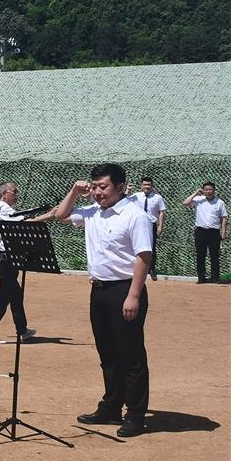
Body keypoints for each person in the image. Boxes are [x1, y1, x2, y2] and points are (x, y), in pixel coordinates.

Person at [52, 163, 152, 438]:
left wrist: (133, 295)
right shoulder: (93, 212)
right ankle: (110, 407)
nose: (97, 192)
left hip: (124, 290)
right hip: (99, 290)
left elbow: (144, 256)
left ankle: (135, 414)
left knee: (130, 355)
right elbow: (61, 215)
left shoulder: (135, 215)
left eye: (103, 187)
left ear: (120, 187)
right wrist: (74, 190)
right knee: (107, 353)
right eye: (94, 187)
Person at [0, 182, 35, 344]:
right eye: (14, 191)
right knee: (4, 296)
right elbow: (24, 224)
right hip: (5, 258)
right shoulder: (4, 209)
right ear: (4, 194)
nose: (16, 194)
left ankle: (22, 330)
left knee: (14, 294)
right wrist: (50, 215)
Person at [183, 182, 227, 283]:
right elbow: (185, 203)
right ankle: (201, 278)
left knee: (214, 255)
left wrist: (223, 232)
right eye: (206, 189)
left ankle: (215, 277)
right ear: (203, 190)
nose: (208, 191)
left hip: (214, 232)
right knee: (200, 254)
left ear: (214, 190)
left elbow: (224, 218)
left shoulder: (220, 202)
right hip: (200, 231)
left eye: (210, 189)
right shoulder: (198, 200)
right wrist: (195, 193)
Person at [129, 176, 166, 281]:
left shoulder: (158, 197)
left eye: (149, 185)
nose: (147, 186)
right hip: (138, 224)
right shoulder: (135, 196)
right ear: (141, 186)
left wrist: (160, 226)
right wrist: (128, 190)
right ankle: (134, 268)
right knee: (134, 246)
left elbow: (161, 212)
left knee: (151, 247)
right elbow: (124, 200)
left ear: (152, 185)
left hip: (151, 224)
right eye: (145, 184)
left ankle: (151, 269)